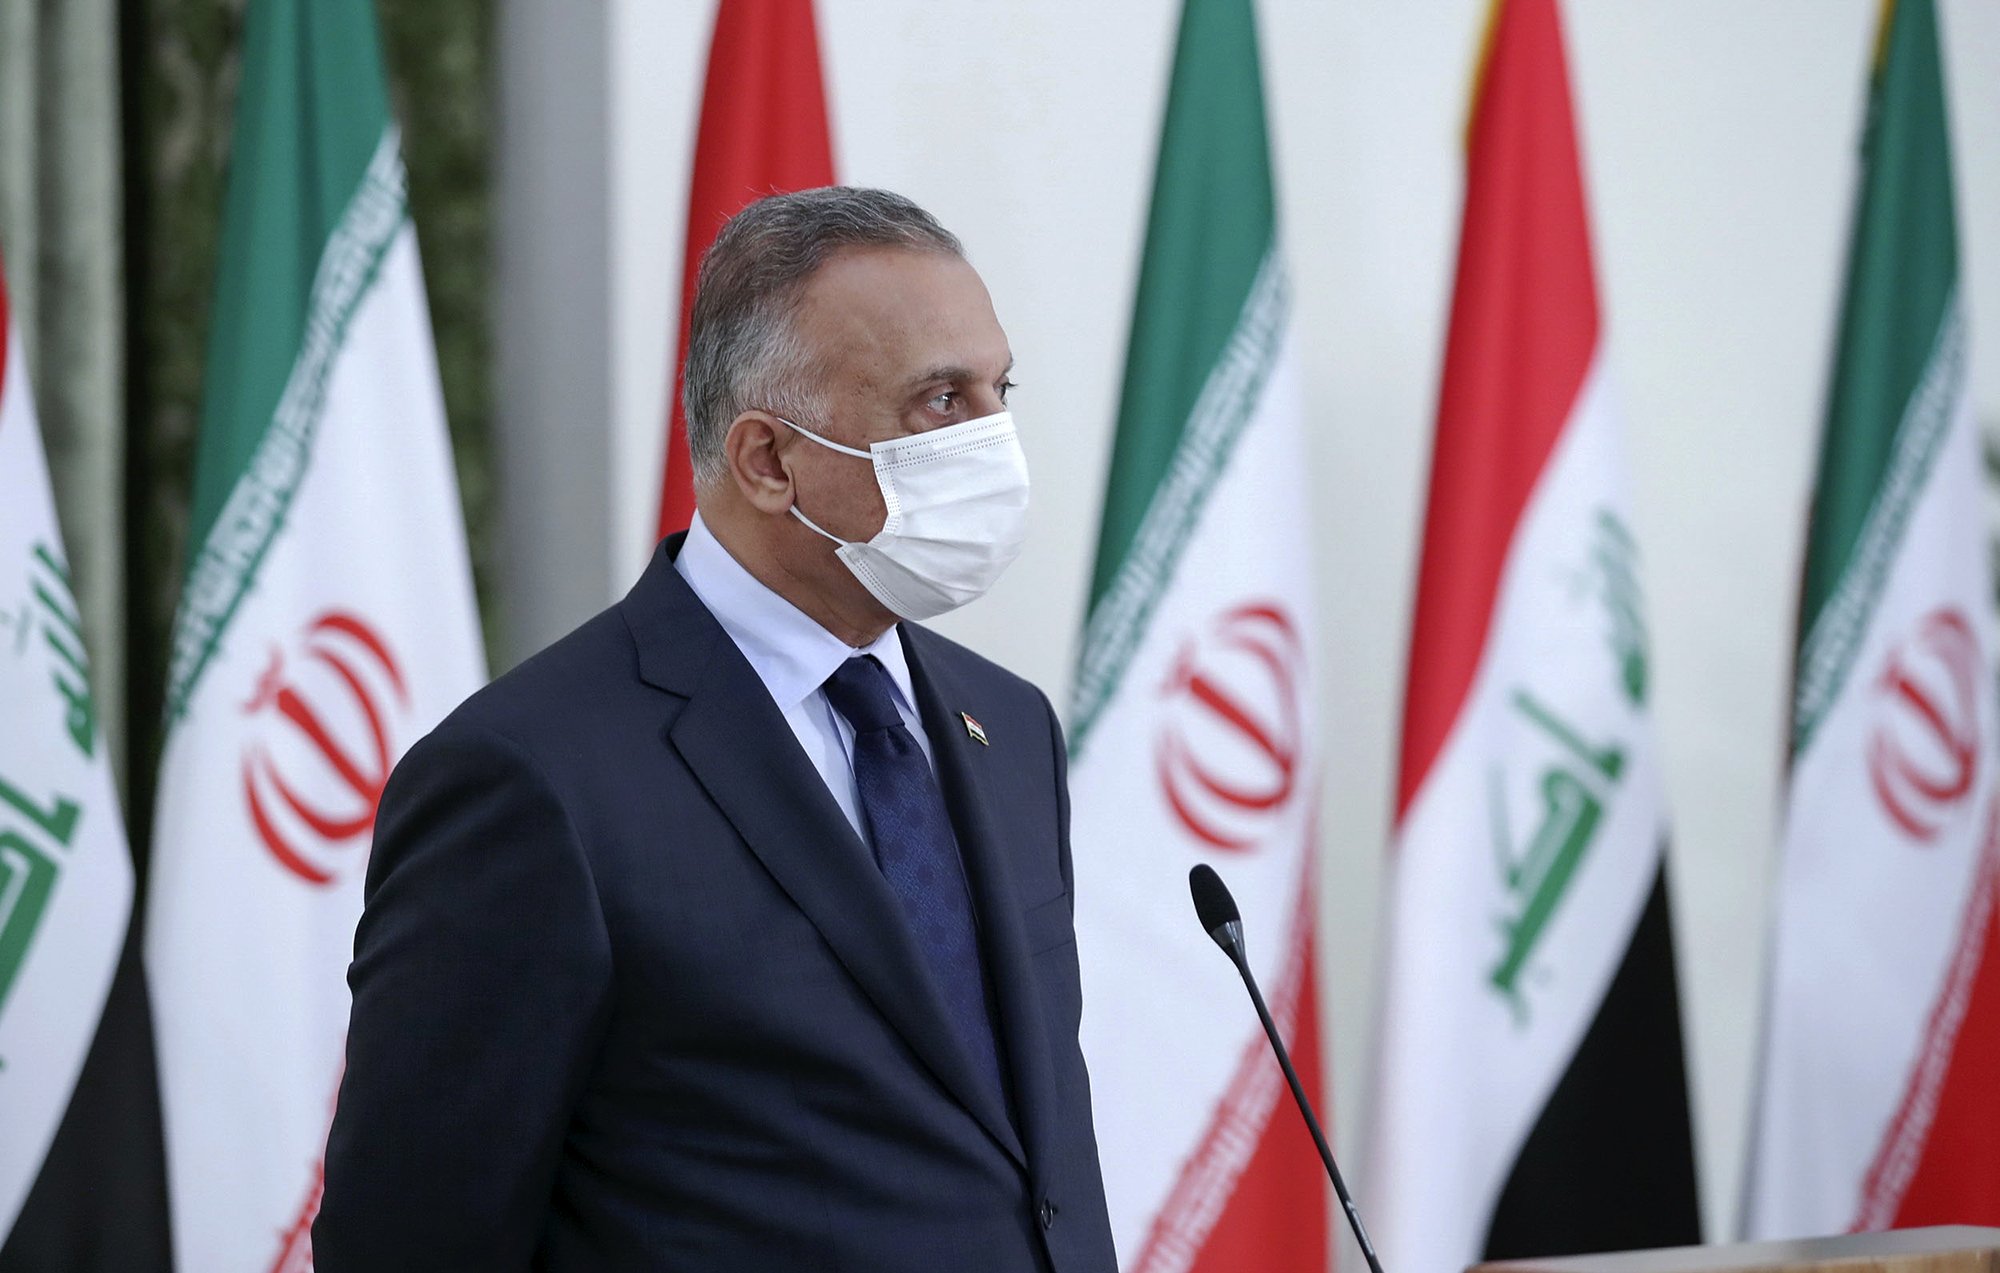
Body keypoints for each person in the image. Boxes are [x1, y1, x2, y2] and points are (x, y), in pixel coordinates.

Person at [313, 187, 1118, 1272]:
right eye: (939, 401)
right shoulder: (531, 778)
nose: (994, 443)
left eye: (996, 390)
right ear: (767, 460)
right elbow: (409, 1239)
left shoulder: (1008, 727)